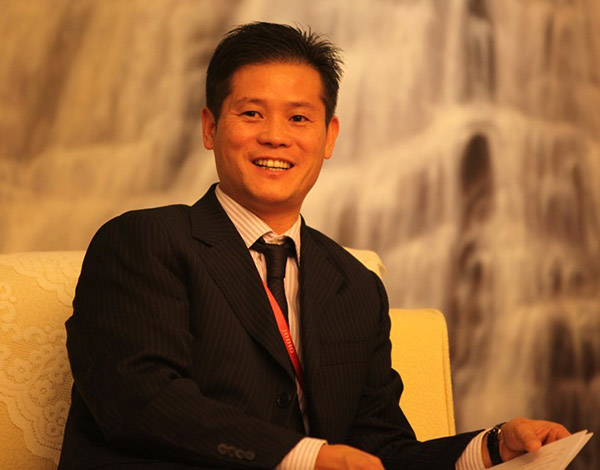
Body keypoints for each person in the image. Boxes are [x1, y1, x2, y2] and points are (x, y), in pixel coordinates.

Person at [59, 22, 570, 470]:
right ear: (211, 127)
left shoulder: (355, 286)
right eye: (251, 113)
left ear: (329, 137)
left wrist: (490, 447)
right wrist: (306, 457)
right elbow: (140, 401)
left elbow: (379, 450)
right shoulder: (143, 242)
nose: (275, 137)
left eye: (299, 119)